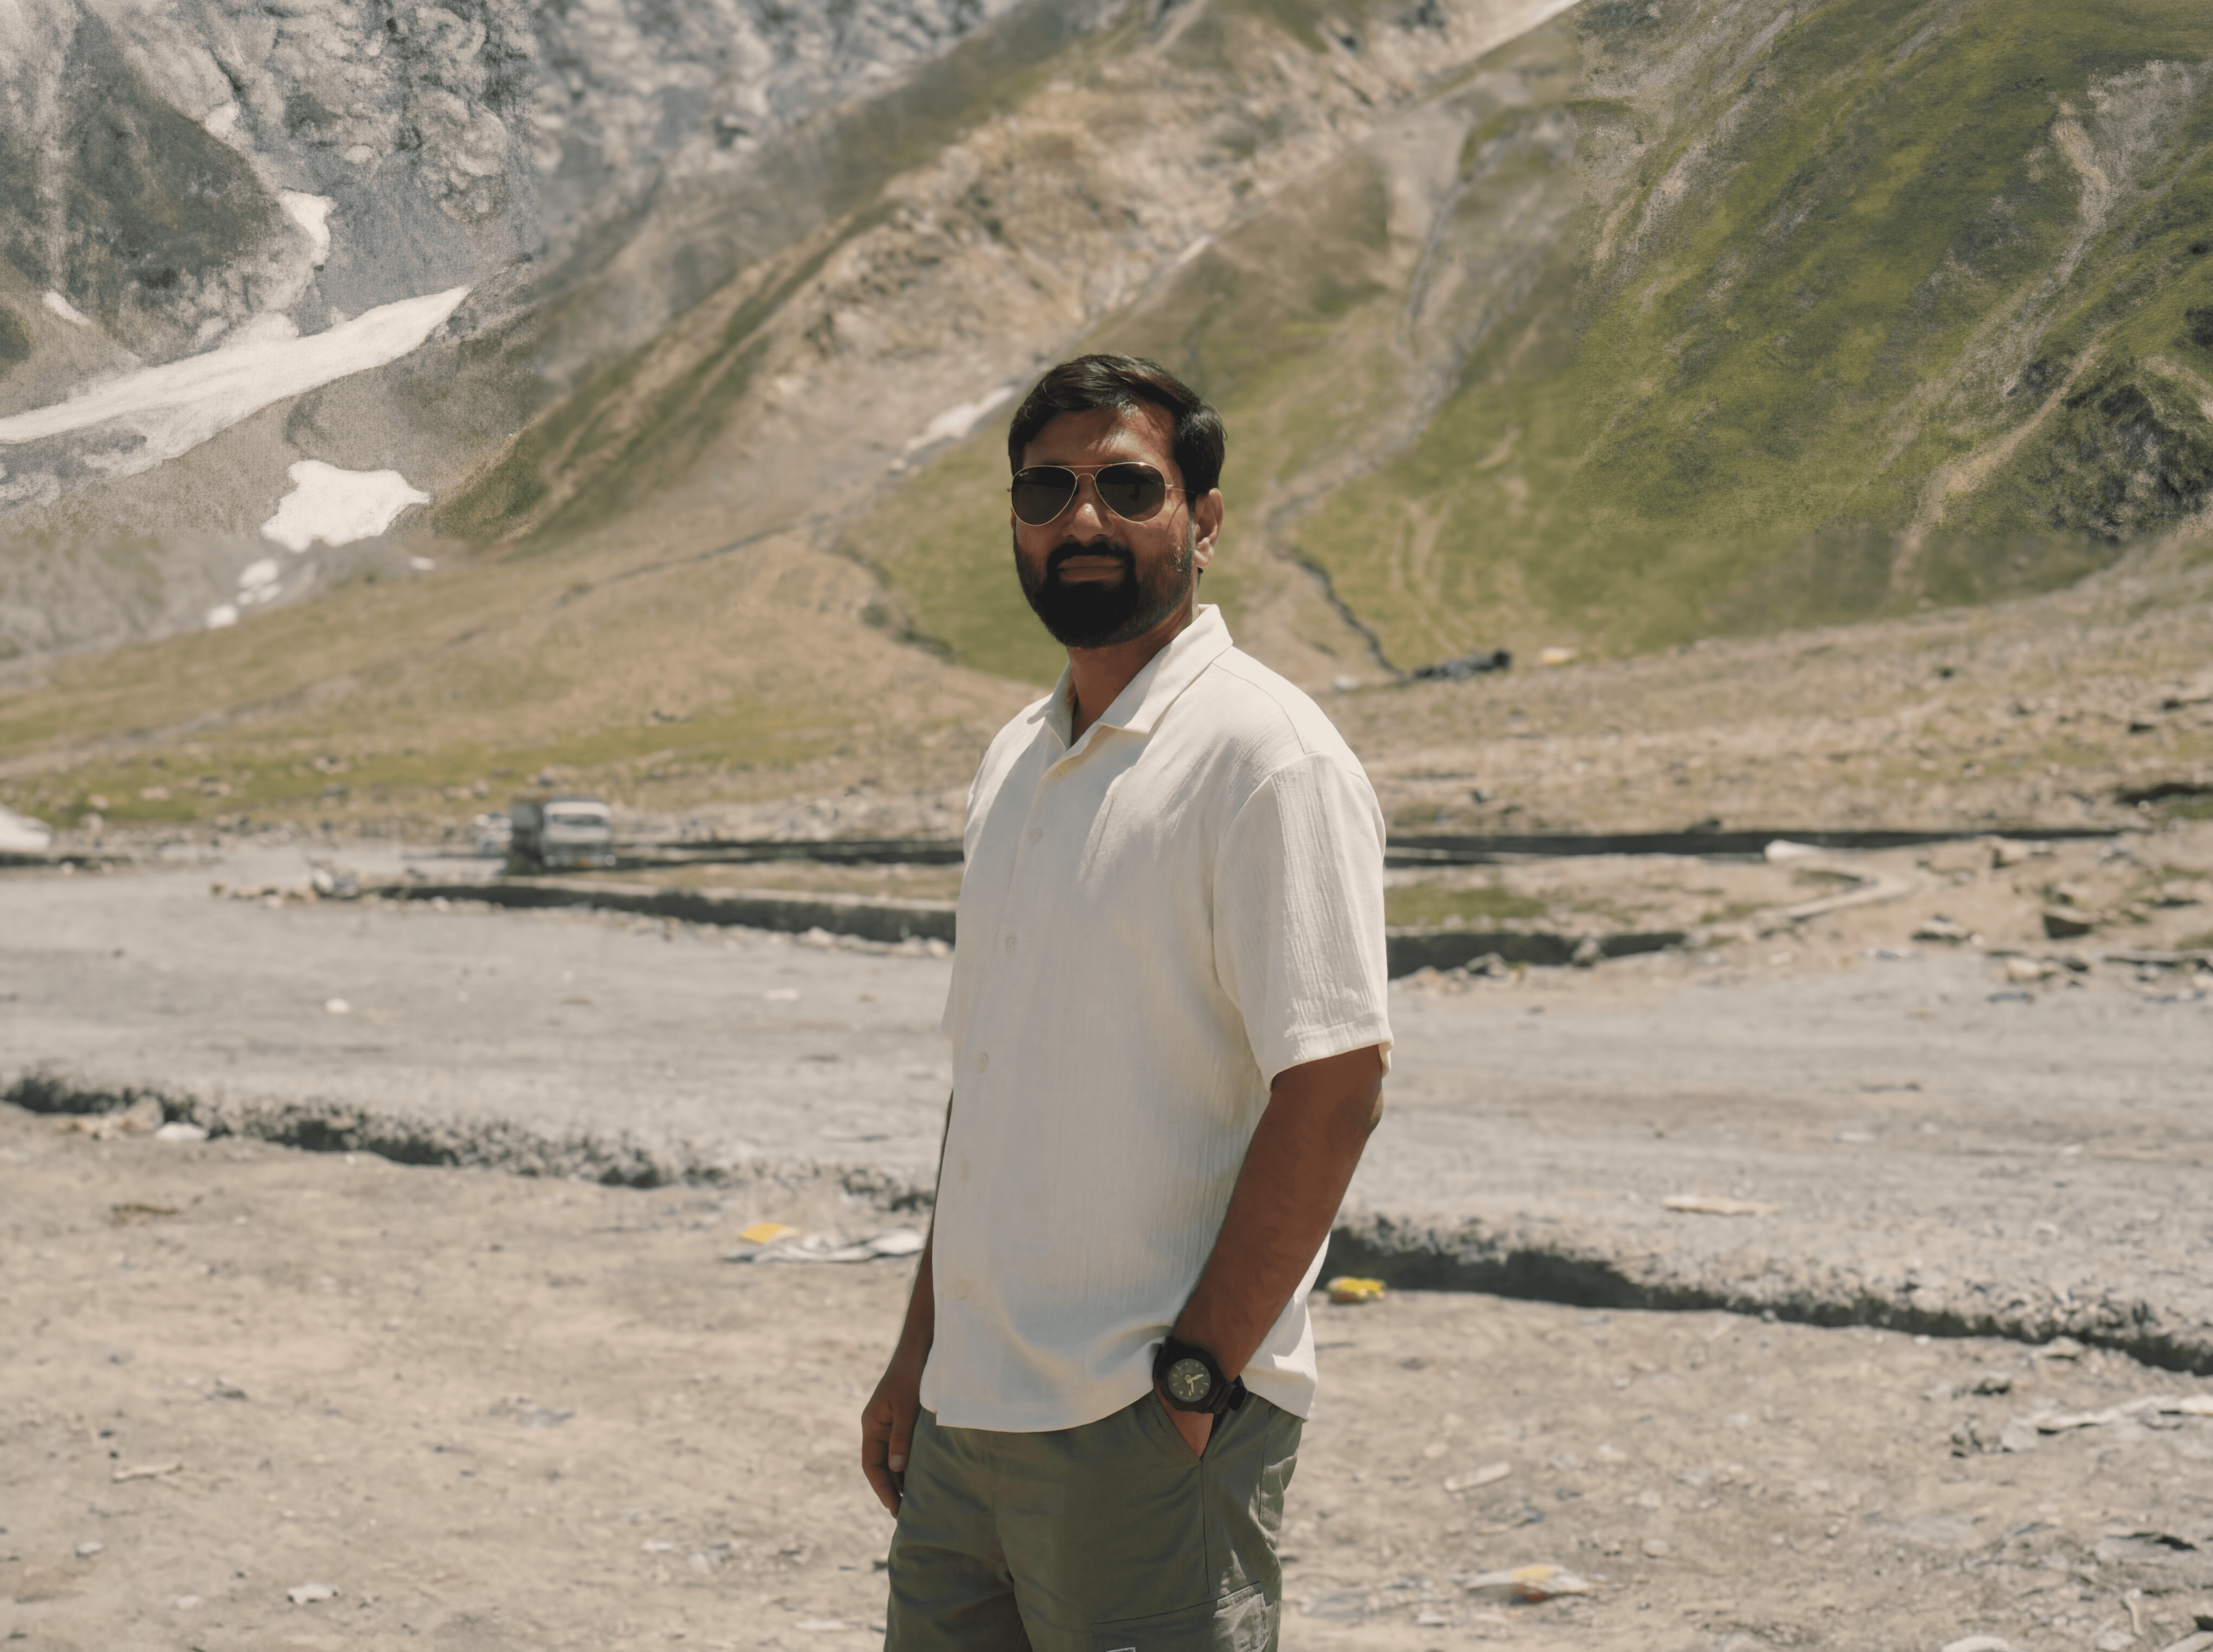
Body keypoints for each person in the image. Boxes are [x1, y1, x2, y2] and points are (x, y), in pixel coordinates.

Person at [859, 353, 1392, 1651]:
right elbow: (986, 1088)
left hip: (1141, 1423)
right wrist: (918, 1354)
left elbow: (1334, 1087)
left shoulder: (1270, 758)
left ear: (1204, 523)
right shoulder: (1016, 760)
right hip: (968, 1420)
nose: (1080, 520)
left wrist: (1198, 1380)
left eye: (1125, 486)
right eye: (1045, 490)